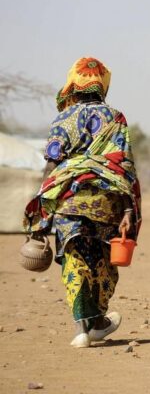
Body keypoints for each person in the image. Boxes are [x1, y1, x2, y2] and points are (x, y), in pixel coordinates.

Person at [24, 57, 141, 348]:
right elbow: (122, 165)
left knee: (74, 262)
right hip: (107, 201)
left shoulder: (62, 119)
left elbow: (52, 165)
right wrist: (128, 209)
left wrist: (42, 205)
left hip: (66, 200)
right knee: (103, 261)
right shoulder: (115, 117)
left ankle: (83, 330)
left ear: (73, 84)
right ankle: (97, 320)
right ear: (102, 84)